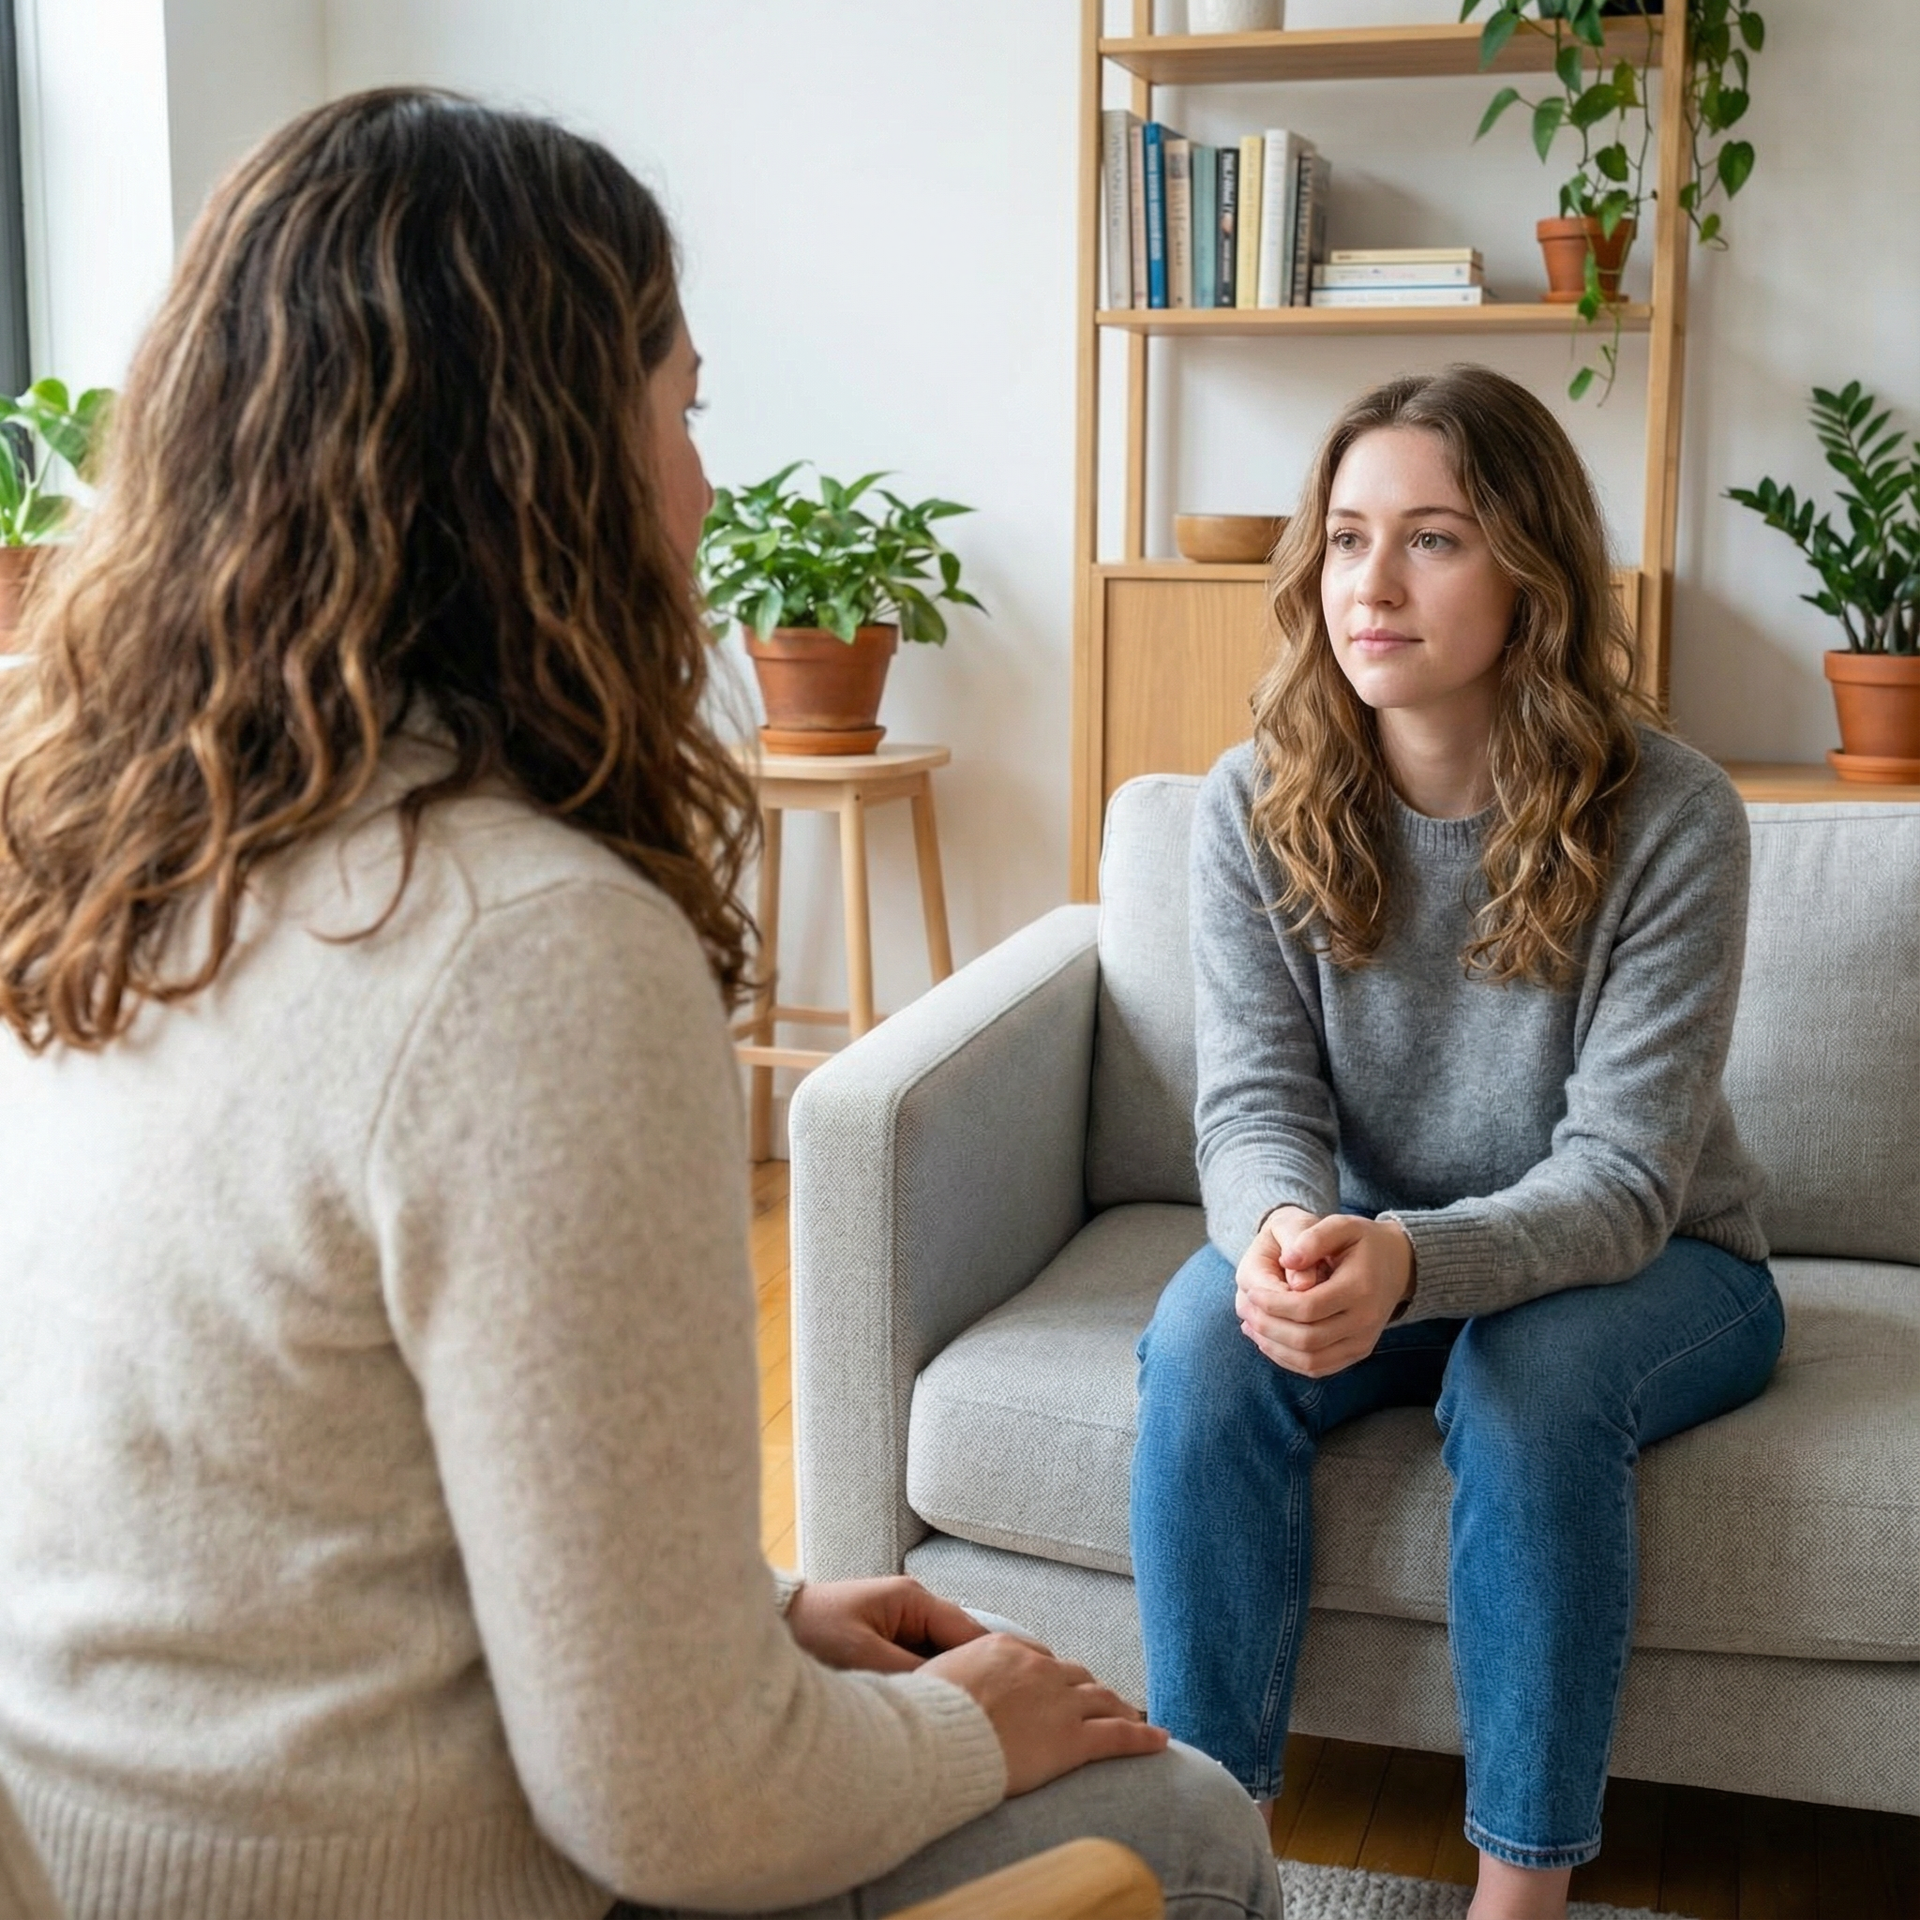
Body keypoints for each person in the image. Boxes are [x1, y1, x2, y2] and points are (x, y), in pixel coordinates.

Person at [0, 91, 1281, 1920]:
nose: (703, 486)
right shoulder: (523, 951)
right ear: (535, 469)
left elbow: (280, 1487)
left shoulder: (107, 861)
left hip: (90, 1854)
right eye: (681, 407)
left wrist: (756, 1619)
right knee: (1190, 1827)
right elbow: (675, 1810)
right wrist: (975, 1724)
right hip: (382, 1880)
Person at [1128, 365, 1785, 1920]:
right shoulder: (1250, 805)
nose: (1371, 582)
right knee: (1203, 1338)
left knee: (1531, 1377)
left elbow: (1625, 1180)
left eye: (1432, 539)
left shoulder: (1673, 815)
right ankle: (1212, 1860)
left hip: (1663, 1257)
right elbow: (1252, 1108)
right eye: (1347, 537)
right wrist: (1283, 1236)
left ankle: (1519, 1892)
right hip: (1374, 1249)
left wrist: (1415, 1257)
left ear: (1531, 577)